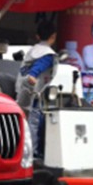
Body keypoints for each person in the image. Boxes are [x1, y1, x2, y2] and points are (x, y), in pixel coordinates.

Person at [15, 24, 58, 157]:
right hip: (34, 92)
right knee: (33, 122)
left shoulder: (32, 51)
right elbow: (38, 68)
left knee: (23, 120)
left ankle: (22, 150)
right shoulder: (48, 54)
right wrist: (33, 76)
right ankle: (30, 153)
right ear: (53, 36)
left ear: (37, 36)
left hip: (22, 90)